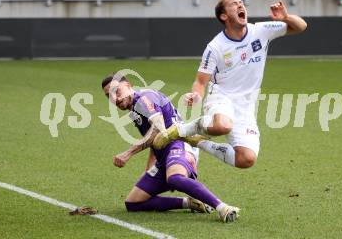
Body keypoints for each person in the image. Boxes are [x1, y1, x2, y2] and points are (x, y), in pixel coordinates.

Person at [154, 0, 307, 169]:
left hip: (246, 106)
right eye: (234, 4)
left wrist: (286, 17)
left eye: (241, 2)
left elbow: (301, 26)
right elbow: (201, 81)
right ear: (224, 15)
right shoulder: (215, 47)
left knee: (246, 159)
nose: (240, 5)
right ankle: (181, 129)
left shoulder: (260, 31)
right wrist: (196, 95)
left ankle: (197, 141)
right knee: (222, 126)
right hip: (221, 96)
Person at [101, 73, 240, 223]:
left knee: (174, 178)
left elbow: (157, 129)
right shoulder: (134, 107)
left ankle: (223, 208)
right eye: (109, 96)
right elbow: (156, 139)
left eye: (117, 91)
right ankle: (189, 203)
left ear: (128, 86)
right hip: (164, 155)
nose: (115, 98)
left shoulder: (143, 99)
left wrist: (127, 153)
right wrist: (150, 166)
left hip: (180, 144)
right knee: (133, 203)